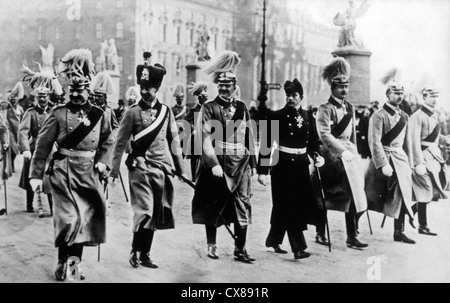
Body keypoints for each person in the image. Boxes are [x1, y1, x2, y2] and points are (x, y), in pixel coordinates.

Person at [29, 49, 114, 281]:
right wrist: (36, 174)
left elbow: (109, 141)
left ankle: (74, 267)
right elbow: (43, 146)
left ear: (88, 90)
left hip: (88, 174)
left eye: (81, 90)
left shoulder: (99, 114)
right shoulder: (58, 114)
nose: (76, 94)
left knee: (84, 222)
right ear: (68, 90)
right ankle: (61, 261)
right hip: (63, 173)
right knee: (69, 220)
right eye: (73, 90)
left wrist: (104, 164)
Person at [111, 62, 187, 269]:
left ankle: (145, 254)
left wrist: (180, 169)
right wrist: (113, 170)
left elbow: (174, 142)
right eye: (142, 87)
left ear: (157, 88)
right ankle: (136, 249)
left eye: (149, 88)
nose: (144, 92)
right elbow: (119, 143)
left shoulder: (166, 111)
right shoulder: (132, 113)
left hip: (161, 169)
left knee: (156, 212)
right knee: (144, 210)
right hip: (140, 168)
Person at [191, 57, 257, 263]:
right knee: (213, 204)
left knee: (242, 204)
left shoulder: (242, 107)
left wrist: (254, 164)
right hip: (218, 164)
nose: (224, 89)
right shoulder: (209, 108)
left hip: (240, 164)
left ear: (235, 87)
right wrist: (213, 164)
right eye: (221, 85)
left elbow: (249, 136)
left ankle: (240, 249)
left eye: (228, 86)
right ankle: (212, 245)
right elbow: (203, 138)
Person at [257, 79, 324, 260]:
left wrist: (317, 155)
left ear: (301, 97)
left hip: (301, 166)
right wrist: (262, 171)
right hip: (282, 167)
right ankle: (298, 247)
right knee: (290, 206)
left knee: (285, 206)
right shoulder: (275, 116)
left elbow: (313, 142)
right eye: (288, 95)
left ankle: (273, 240)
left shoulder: (309, 116)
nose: (290, 98)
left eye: (294, 95)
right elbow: (266, 145)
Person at [312, 57, 369, 249]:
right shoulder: (324, 109)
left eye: (346, 87)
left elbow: (352, 136)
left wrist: (354, 154)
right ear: (333, 88)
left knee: (354, 195)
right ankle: (320, 232)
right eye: (340, 87)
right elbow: (324, 135)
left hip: (349, 157)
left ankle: (352, 236)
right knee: (324, 197)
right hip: (330, 157)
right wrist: (341, 152)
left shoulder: (350, 108)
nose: (344, 90)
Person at [365, 81, 415, 244]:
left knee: (402, 195)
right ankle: (353, 230)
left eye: (401, 93)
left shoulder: (405, 116)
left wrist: (411, 164)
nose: (399, 96)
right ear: (387, 95)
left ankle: (399, 232)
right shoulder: (378, 115)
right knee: (369, 196)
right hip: (381, 161)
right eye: (395, 93)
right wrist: (383, 163)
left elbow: (407, 144)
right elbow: (375, 142)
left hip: (400, 160)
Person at [408, 87, 450, 237]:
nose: (434, 99)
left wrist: (446, 139)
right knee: (425, 189)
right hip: (423, 158)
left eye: (436, 96)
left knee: (436, 189)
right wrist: (418, 162)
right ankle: (422, 225)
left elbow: (435, 138)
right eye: (431, 96)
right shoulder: (417, 116)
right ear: (423, 97)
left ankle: (411, 211)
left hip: (434, 157)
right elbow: (413, 141)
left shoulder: (434, 115)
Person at [20, 70, 59, 217]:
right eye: (40, 96)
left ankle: (52, 205)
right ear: (36, 97)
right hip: (34, 147)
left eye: (45, 96)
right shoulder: (30, 113)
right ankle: (30, 203)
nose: (42, 99)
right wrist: (25, 149)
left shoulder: (54, 112)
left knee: (50, 178)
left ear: (48, 97)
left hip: (50, 149)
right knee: (32, 175)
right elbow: (23, 132)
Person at [184, 81, 208, 181]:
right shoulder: (194, 110)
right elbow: (186, 121)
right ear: (199, 98)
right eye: (201, 97)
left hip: (206, 136)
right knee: (194, 157)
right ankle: (194, 176)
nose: (203, 99)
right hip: (195, 136)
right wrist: (193, 129)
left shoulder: (208, 109)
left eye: (205, 98)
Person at [89, 71, 120, 137]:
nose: (97, 99)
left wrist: (111, 139)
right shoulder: (87, 108)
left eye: (100, 97)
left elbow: (115, 128)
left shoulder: (108, 110)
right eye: (95, 96)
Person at [5, 82, 23, 173]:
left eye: (14, 98)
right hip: (9, 131)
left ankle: (11, 163)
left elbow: (23, 120)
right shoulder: (6, 108)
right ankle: (10, 165)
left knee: (16, 150)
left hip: (18, 131)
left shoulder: (20, 109)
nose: (13, 100)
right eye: (11, 98)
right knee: (11, 149)